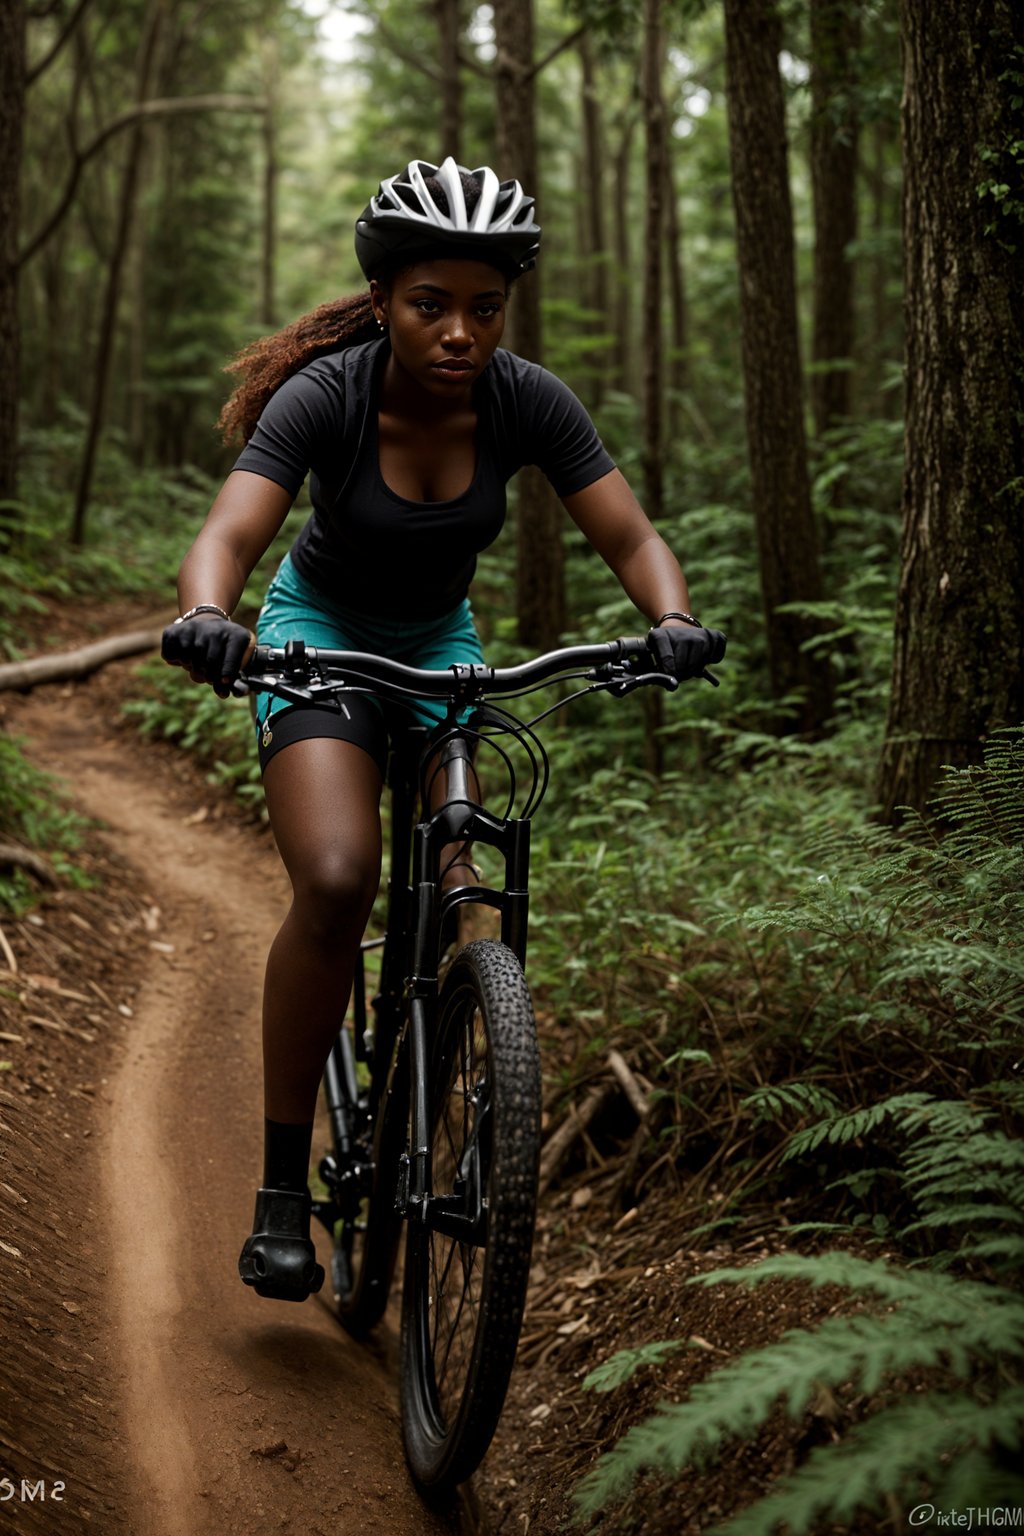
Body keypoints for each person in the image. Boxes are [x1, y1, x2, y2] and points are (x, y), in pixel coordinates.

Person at [162, 156, 725, 1303]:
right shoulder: (326, 395)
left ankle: (463, 1033)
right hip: (317, 634)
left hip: (440, 646)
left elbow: (628, 537)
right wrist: (208, 615)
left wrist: (669, 620)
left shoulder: (527, 399)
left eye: (485, 306)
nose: (460, 331)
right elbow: (228, 532)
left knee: (466, 857)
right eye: (431, 304)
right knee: (333, 879)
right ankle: (283, 1187)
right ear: (382, 303)